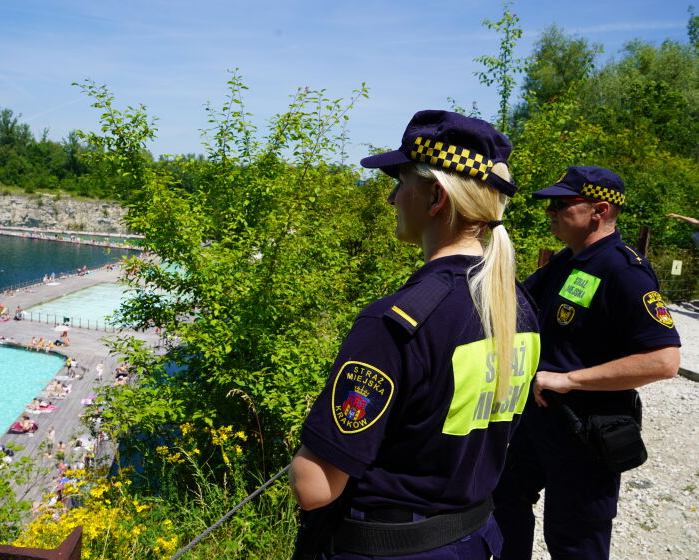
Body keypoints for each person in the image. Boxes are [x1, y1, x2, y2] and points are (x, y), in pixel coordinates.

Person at [289, 110, 540, 559]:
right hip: (477, 539)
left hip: (390, 547)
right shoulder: (516, 306)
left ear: (435, 198)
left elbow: (315, 487)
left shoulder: (393, 325)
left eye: (401, 181)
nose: (391, 198)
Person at [493, 166, 681, 560]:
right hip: (538, 421)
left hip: (586, 429)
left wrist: (571, 380)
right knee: (504, 500)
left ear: (599, 209)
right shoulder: (567, 261)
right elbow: (515, 303)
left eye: (561, 204)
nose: (551, 213)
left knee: (575, 537)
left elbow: (664, 361)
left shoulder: (624, 270)